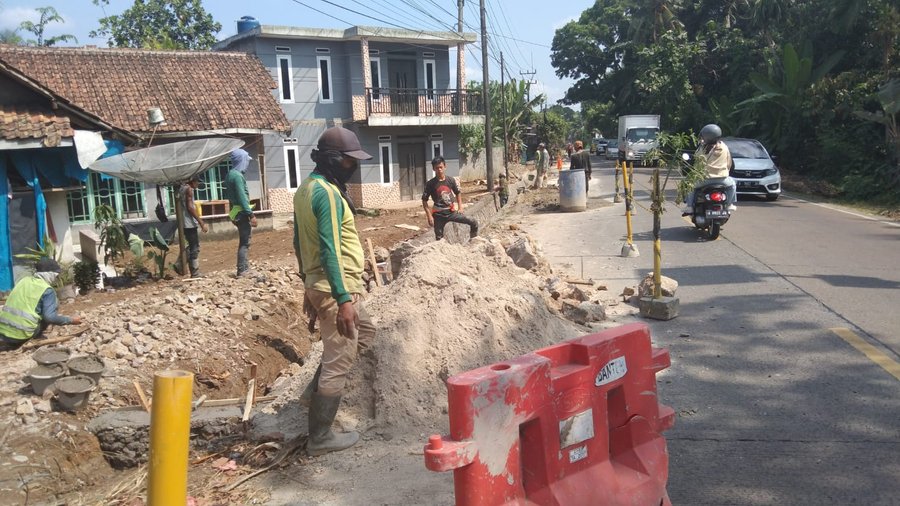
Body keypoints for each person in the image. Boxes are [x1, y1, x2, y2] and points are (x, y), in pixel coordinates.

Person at [293, 126, 377, 456]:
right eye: (348, 161)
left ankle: (310, 396)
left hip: (323, 284)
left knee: (365, 331)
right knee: (340, 358)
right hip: (334, 288)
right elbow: (328, 248)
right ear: (332, 160)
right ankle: (320, 437)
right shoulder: (325, 194)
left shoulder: (306, 189)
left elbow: (298, 242)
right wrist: (342, 299)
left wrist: (306, 283)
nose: (352, 167)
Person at [0, 258, 82, 350]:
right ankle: (35, 338)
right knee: (47, 313)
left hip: (3, 331)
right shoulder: (47, 290)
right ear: (49, 274)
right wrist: (71, 320)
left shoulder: (23, 281)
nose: (56, 278)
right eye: (55, 275)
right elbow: (49, 317)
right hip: (21, 335)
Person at [683, 124, 736, 214]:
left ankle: (690, 206)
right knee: (733, 184)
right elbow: (729, 164)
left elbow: (696, 163)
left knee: (689, 185)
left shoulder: (702, 149)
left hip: (704, 180)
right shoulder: (724, 147)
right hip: (722, 180)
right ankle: (730, 204)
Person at [422, 156, 478, 241]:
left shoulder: (450, 180)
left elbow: (458, 192)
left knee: (473, 222)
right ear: (433, 169)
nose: (439, 169)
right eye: (437, 168)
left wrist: (460, 207)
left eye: (441, 167)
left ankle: (474, 242)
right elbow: (424, 200)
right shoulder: (430, 184)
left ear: (445, 167)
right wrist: (429, 216)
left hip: (451, 212)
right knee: (439, 238)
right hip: (438, 215)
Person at [225, 148, 257, 277]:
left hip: (236, 212)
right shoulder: (237, 176)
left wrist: (232, 213)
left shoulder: (230, 174)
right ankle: (242, 270)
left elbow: (231, 197)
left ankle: (244, 268)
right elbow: (242, 197)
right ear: (241, 161)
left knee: (243, 240)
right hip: (242, 213)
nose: (247, 163)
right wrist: (251, 215)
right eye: (246, 161)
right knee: (245, 241)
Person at [177, 175, 208, 278]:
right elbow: (190, 207)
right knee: (195, 247)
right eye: (197, 182)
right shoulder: (189, 189)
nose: (198, 184)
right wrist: (201, 222)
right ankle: (194, 272)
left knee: (190, 246)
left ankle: (179, 264)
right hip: (189, 223)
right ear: (193, 181)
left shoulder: (181, 188)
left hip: (183, 222)